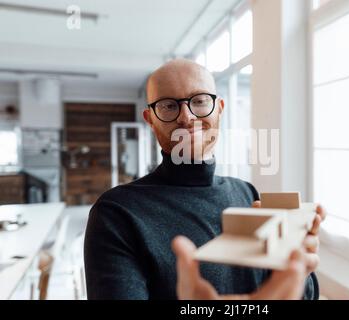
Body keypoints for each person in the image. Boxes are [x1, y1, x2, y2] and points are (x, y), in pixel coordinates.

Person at [84, 59, 326, 300]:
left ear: (219, 108)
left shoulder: (246, 193)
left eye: (199, 101)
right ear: (150, 119)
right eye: (168, 106)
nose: (187, 117)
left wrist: (296, 269)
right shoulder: (116, 213)